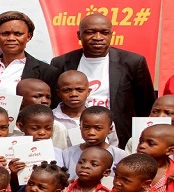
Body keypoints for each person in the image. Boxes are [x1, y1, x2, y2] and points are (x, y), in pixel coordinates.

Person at [51, 13, 155, 149]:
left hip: (119, 139)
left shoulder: (133, 62)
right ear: (79, 35)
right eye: (90, 32)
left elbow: (145, 104)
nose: (98, 37)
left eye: (104, 32)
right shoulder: (61, 63)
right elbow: (55, 99)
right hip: (72, 137)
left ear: (111, 34)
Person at [0, 11, 60, 105]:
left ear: (28, 36)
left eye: (18, 34)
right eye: (5, 34)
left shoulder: (46, 72)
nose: (11, 38)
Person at [53, 70, 119, 147]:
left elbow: (113, 147)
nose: (74, 94)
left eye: (79, 90)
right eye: (67, 90)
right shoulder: (51, 119)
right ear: (58, 93)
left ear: (88, 91)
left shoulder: (102, 117)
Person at [9, 104, 64, 192]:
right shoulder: (12, 152)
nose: (42, 133)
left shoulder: (58, 153)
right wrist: (14, 173)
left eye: (48, 128)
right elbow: (12, 189)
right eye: (35, 128)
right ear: (21, 126)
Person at [63, 106, 127, 180]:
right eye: (86, 127)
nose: (91, 133)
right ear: (80, 127)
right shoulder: (68, 153)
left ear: (110, 129)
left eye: (98, 128)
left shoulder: (119, 155)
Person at [15, 78, 68, 149]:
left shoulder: (57, 127)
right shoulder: (6, 125)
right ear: (21, 98)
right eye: (37, 96)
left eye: (48, 97)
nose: (45, 101)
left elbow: (59, 154)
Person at [136, 125, 174, 192]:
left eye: (151, 144)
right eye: (141, 141)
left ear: (170, 151)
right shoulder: (127, 167)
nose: (142, 146)